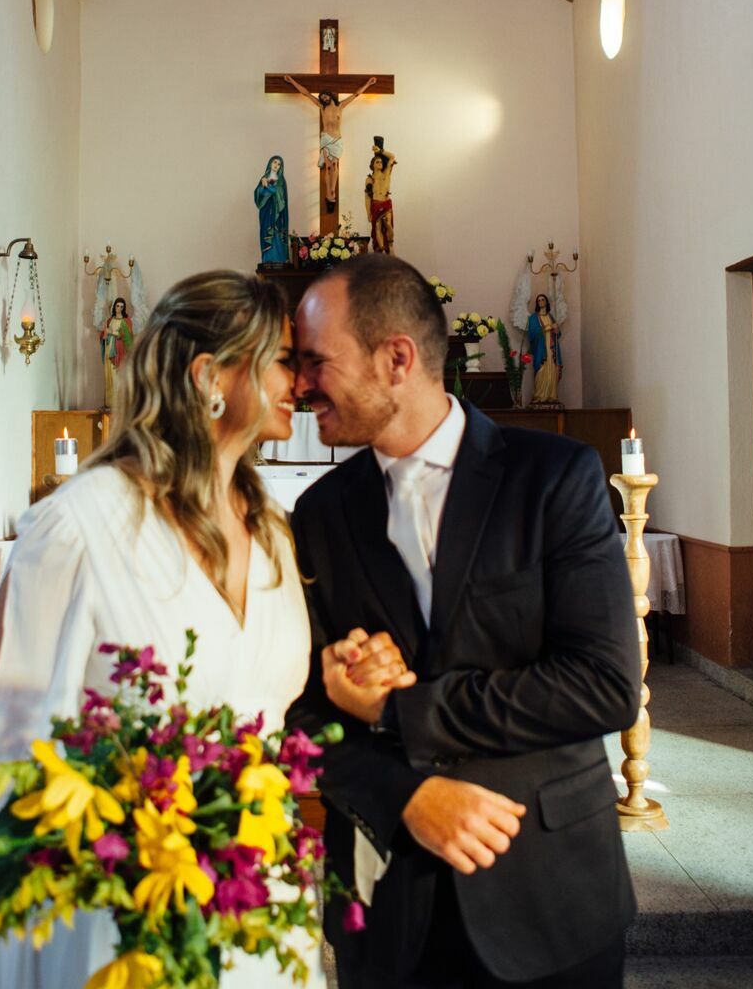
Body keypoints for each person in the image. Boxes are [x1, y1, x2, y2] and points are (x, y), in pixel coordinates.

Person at [0, 270, 336, 989]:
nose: (302, 381)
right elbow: (11, 737)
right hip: (115, 900)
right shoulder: (78, 527)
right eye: (283, 359)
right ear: (211, 376)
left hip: (251, 881)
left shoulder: (272, 535)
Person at [288, 256, 641, 989]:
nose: (296, 385)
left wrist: (401, 708)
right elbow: (304, 712)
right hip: (387, 905)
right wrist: (406, 796)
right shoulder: (320, 512)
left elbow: (604, 685)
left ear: (396, 359)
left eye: (315, 361)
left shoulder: (554, 476)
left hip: (547, 891)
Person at [283, 75, 377, 210]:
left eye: (325, 96)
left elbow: (356, 94)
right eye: (321, 98)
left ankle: (332, 190)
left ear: (330, 95)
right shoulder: (322, 107)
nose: (323, 99)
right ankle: (329, 193)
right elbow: (306, 94)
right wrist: (291, 81)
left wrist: (368, 83)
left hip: (337, 140)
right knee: (328, 166)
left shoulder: (341, 106)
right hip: (326, 139)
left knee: (335, 165)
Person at [527, 292, 563, 407]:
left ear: (546, 302)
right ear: (537, 303)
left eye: (543, 300)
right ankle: (540, 396)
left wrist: (557, 330)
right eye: (539, 300)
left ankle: (551, 396)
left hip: (552, 349)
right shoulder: (533, 318)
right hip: (541, 350)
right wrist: (548, 328)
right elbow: (532, 335)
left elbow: (558, 334)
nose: (541, 302)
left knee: (552, 370)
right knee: (541, 371)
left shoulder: (551, 316)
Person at [255, 154, 289, 265]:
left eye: (279, 164)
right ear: (270, 163)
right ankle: (267, 259)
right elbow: (257, 194)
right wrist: (262, 187)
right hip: (265, 212)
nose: (276, 165)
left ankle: (278, 259)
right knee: (265, 233)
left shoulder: (280, 180)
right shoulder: (264, 178)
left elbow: (278, 193)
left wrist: (267, 186)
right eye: (275, 162)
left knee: (275, 233)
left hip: (276, 213)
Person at [99, 295, 133, 407]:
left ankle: (118, 404)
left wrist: (111, 332)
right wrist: (104, 335)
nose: (119, 308)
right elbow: (104, 336)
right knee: (109, 377)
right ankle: (109, 402)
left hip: (119, 353)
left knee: (117, 378)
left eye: (122, 306)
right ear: (114, 307)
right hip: (109, 351)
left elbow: (127, 338)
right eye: (118, 306)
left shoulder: (126, 321)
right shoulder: (110, 320)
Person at [364, 139, 396, 254]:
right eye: (377, 162)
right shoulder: (370, 179)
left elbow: (392, 157)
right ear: (372, 165)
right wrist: (368, 212)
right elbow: (367, 197)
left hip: (386, 202)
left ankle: (390, 245)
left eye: (381, 162)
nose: (380, 163)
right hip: (375, 204)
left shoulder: (386, 173)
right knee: (377, 227)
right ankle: (381, 249)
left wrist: (381, 151)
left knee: (388, 225)